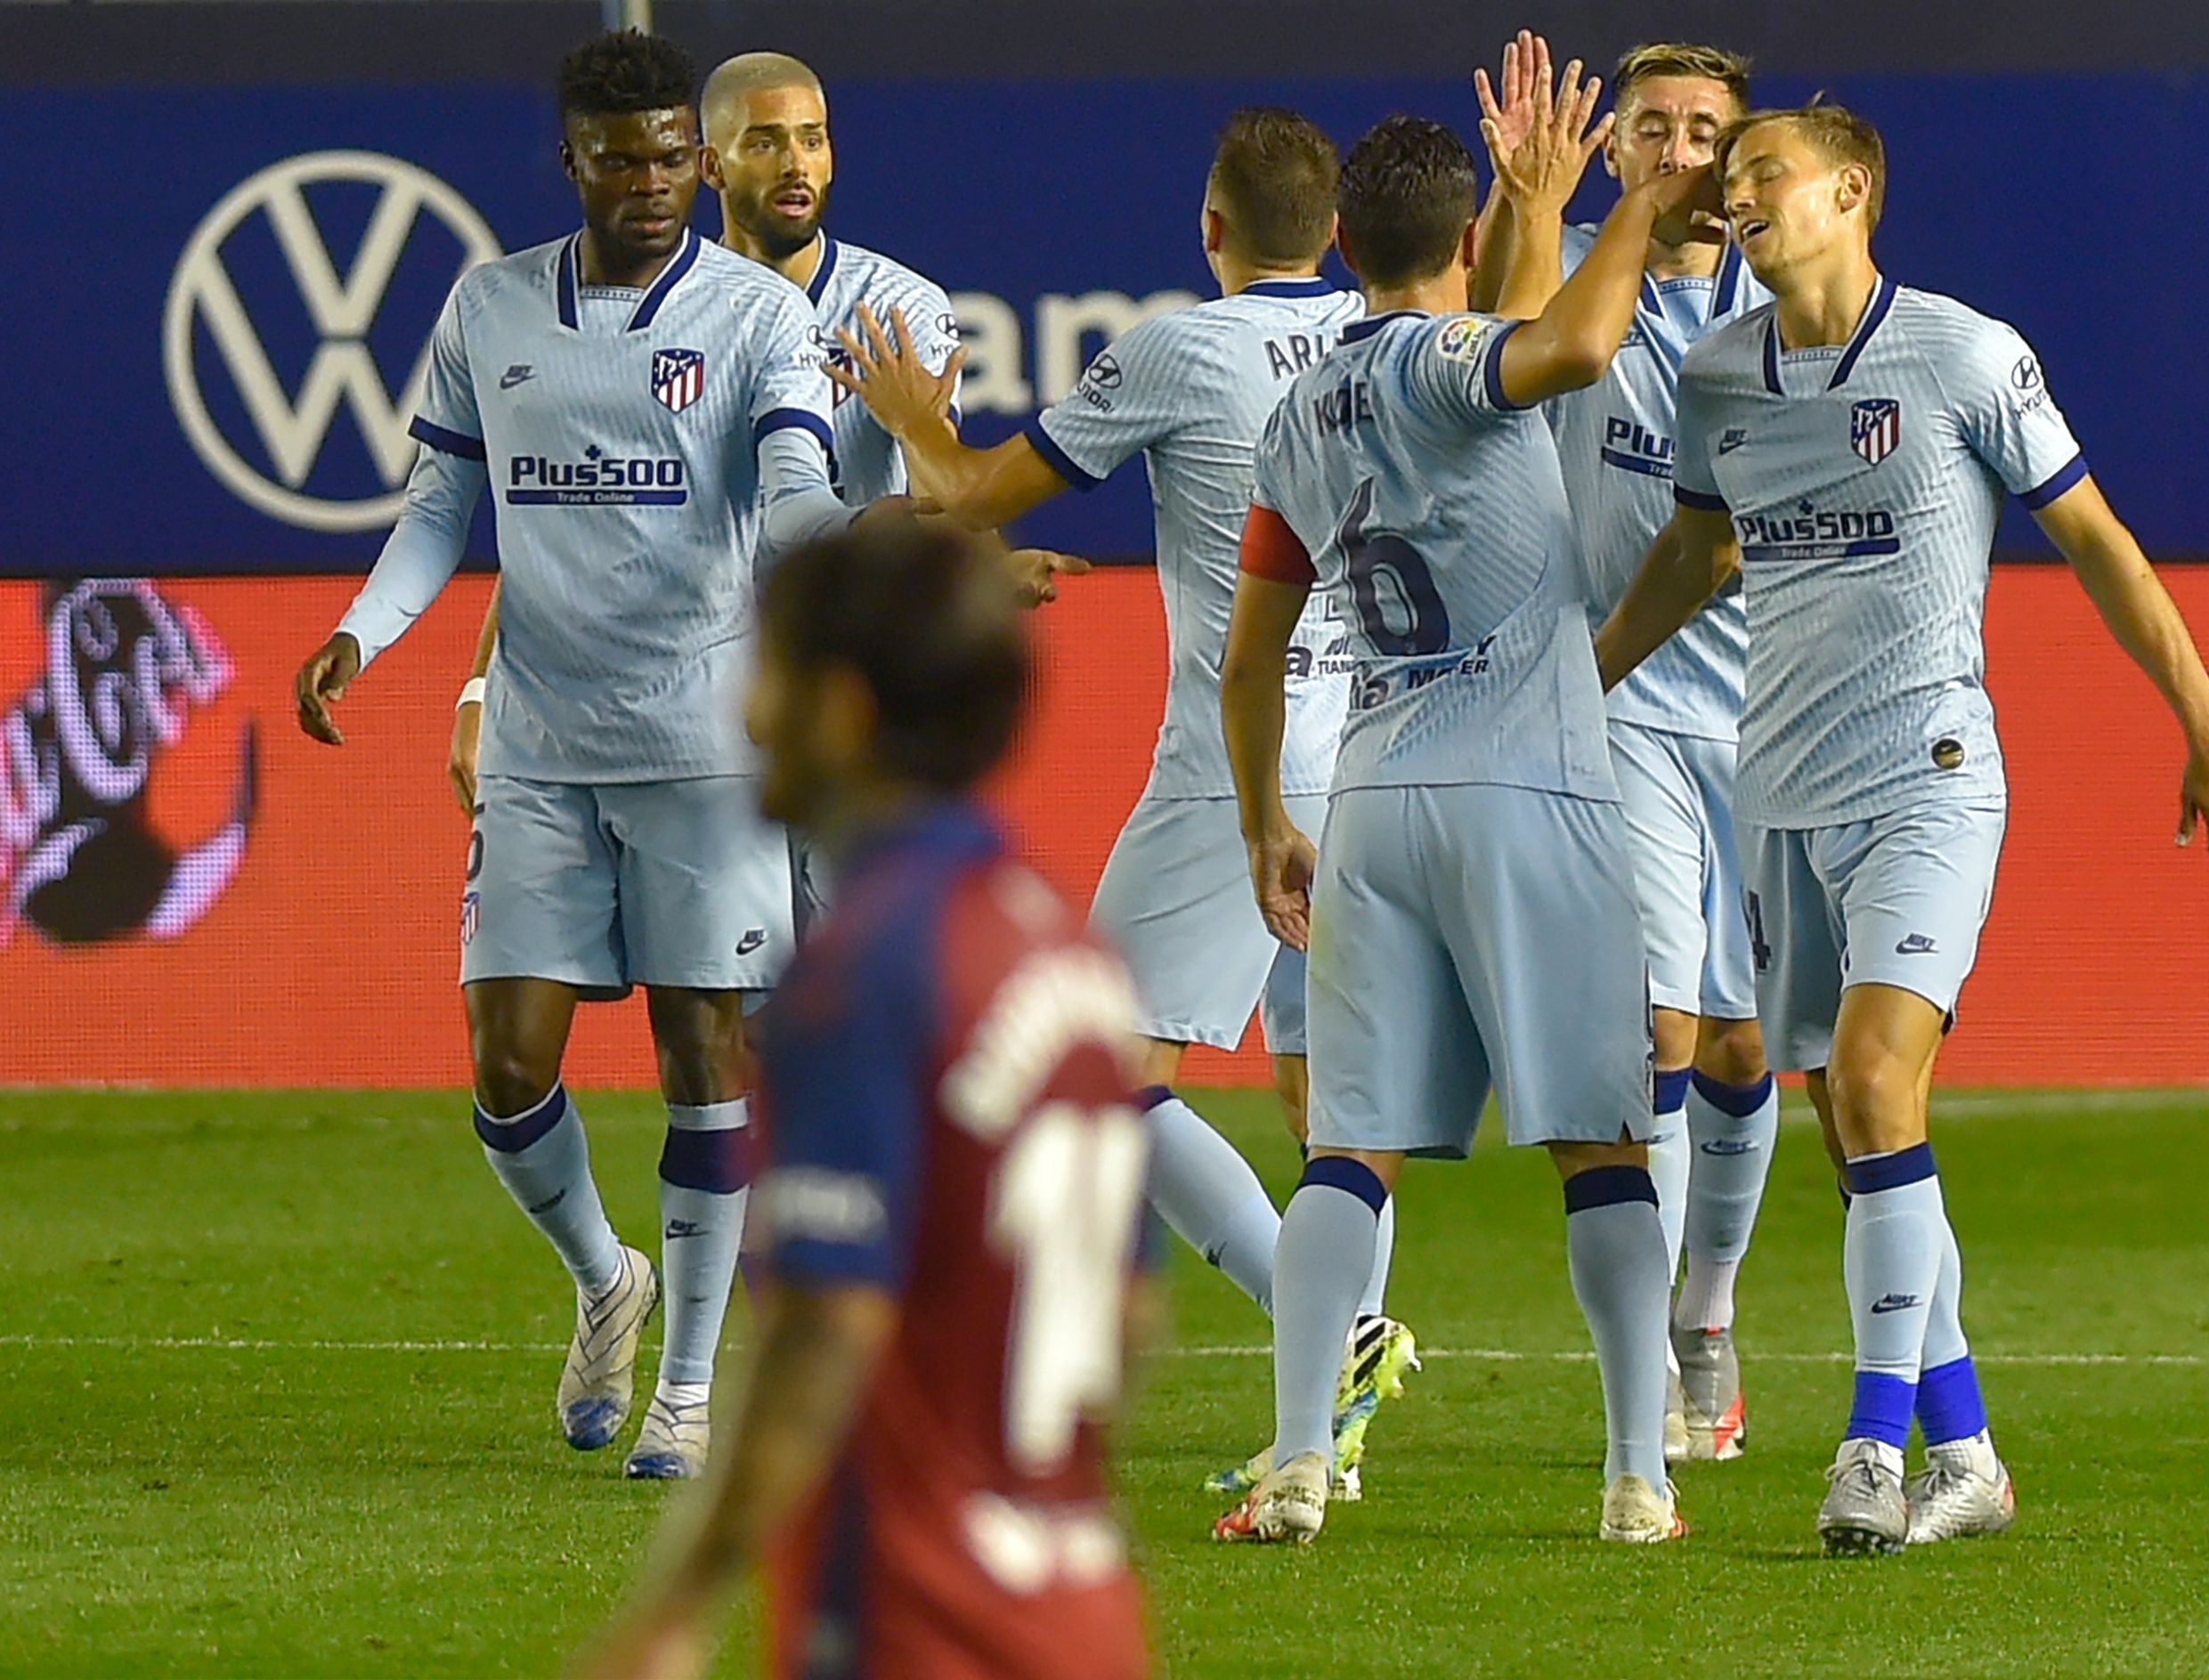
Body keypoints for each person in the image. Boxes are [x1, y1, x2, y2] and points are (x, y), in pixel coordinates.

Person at [1596, 102, 2209, 1554]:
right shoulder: (1718, 374)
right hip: (1776, 793)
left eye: (1764, 171)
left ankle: (1870, 1453)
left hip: (1928, 775)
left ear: (1850, 193)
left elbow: (2094, 538)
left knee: (1883, 1084)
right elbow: (1697, 550)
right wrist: (1579, 677)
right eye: (1733, 180)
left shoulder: (1962, 352)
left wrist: (2203, 717)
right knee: (1850, 1125)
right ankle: (1967, 1449)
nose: (1741, 193)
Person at [293, 28, 859, 1481]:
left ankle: (683, 1387)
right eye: (626, 159)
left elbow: (793, 493)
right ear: (574, 164)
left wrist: (871, 548)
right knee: (506, 1061)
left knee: (701, 1048)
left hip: (701, 747)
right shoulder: (490, 307)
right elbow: (437, 509)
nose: (657, 180)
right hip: (544, 748)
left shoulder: (751, 317)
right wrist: (364, 634)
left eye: (678, 154)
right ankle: (607, 1274)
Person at [831, 108, 1417, 1498]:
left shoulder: (1177, 349)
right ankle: (1326, 1414)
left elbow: (968, 495)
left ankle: (1323, 1335)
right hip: (1393, 744)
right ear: (1332, 232)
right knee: (1336, 1092)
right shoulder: (1385, 342)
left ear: (1209, 229)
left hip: (1243, 762)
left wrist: (915, 419)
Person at [1214, 104, 1700, 1547]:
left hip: (1371, 799)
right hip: (1527, 793)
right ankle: (1635, 1473)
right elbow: (1566, 348)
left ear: (1345, 246)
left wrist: (1263, 826)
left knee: (1347, 1152)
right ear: (1468, 245)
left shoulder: (1299, 412)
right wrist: (1631, 201)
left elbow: (1249, 658)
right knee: (1601, 1142)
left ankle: (1299, 1455)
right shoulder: (1460, 363)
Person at [573, 518, 1154, 1680]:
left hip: (915, 1616)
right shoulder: (1070, 961)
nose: (744, 712)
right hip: (1081, 1601)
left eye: (766, 668)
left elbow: (823, 1328)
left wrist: (676, 1604)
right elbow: (1130, 1315)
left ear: (840, 711)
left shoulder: (863, 974)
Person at [444, 49, 1069, 821]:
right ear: (709, 163)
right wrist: (480, 687)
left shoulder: (893, 308)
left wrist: (982, 557)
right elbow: (569, 514)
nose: (795, 163)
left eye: (813, 138)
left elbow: (941, 494)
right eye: (766, 142)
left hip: (840, 700)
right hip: (680, 706)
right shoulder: (642, 305)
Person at [1474, 32, 1780, 1466]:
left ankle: (1708, 1304)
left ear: (1739, 150)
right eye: (1648, 127)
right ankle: (1657, 1358)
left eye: (1700, 131)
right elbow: (1489, 351)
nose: (1674, 152)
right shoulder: (1580, 271)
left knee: (1745, 1042)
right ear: (1613, 150)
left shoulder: (1782, 298)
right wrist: (1526, 203)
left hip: (1774, 709)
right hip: (1618, 702)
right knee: (1657, 1029)